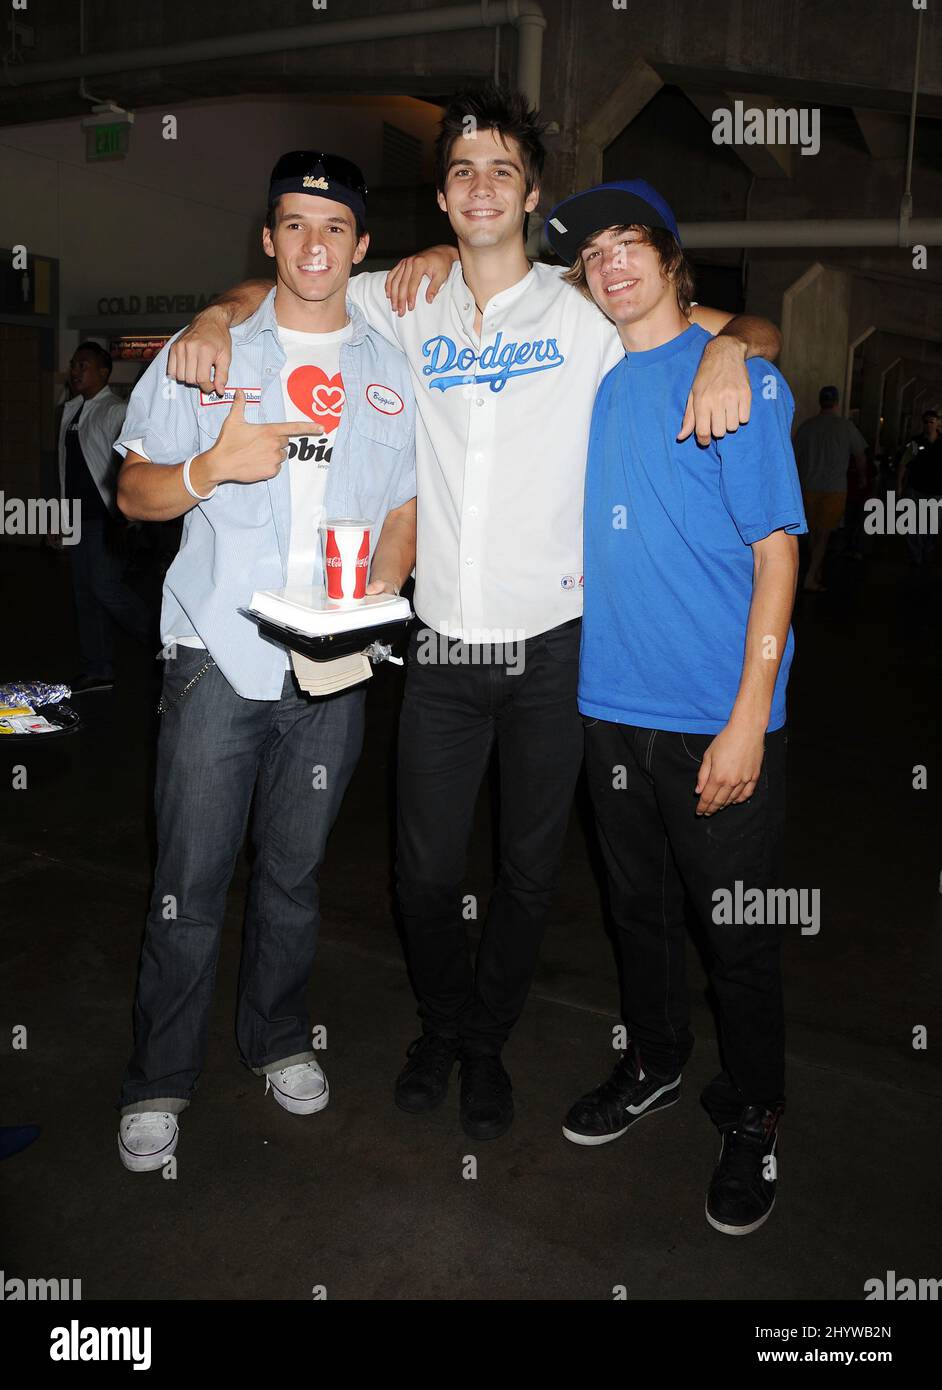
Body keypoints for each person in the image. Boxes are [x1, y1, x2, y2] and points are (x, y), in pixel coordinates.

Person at [165, 85, 782, 1143]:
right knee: (423, 869)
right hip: (441, 644)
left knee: (531, 874)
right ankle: (441, 1025)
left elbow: (741, 328)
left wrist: (739, 346)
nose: (482, 185)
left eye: (503, 168)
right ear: (443, 200)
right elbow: (286, 288)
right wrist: (216, 316)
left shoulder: (585, 301)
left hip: (555, 650)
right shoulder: (399, 301)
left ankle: (488, 1043)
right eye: (462, 170)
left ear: (529, 192)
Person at [113, 151, 417, 1172]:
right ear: (269, 239)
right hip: (215, 658)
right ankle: (159, 1076)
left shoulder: (387, 369)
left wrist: (373, 604)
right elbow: (133, 492)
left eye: (333, 228)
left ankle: (278, 1036)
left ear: (361, 247)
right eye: (293, 225)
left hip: (331, 668)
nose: (313, 245)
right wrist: (210, 466)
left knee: (292, 874)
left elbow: (406, 510)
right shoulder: (211, 353)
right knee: (189, 880)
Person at [544, 181, 805, 1234]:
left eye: (631, 243)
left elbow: (778, 555)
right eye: (593, 252)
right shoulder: (601, 374)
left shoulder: (747, 381)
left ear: (671, 255)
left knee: (736, 935)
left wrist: (751, 712)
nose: (611, 263)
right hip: (609, 707)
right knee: (637, 913)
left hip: (715, 717)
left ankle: (756, 1114)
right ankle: (653, 1062)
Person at [56, 342, 154, 693]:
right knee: (85, 595)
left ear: (104, 372)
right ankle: (98, 669)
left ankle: (161, 641)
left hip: (108, 521)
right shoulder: (71, 411)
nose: (75, 370)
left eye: (84, 364)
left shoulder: (116, 411)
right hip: (79, 519)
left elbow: (132, 464)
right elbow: (68, 472)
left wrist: (125, 517)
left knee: (105, 588)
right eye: (73, 363)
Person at [792, 385, 867, 592]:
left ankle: (816, 571)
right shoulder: (846, 426)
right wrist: (862, 477)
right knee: (825, 534)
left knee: (814, 532)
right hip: (834, 488)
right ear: (836, 402)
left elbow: (794, 458)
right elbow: (860, 455)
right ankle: (809, 577)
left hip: (808, 486)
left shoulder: (807, 427)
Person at [897, 409, 942, 567]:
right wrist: (899, 486)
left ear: (937, 423)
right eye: (926, 422)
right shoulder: (916, 443)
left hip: (937, 492)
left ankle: (927, 551)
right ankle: (916, 556)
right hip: (916, 489)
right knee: (914, 526)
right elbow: (904, 463)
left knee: (932, 526)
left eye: (932, 422)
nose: (929, 425)